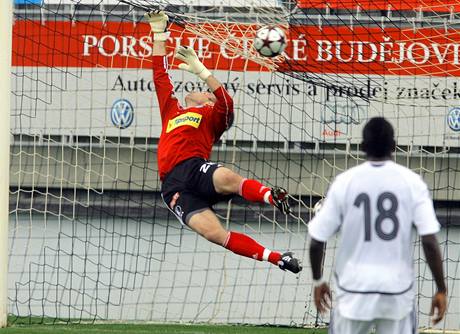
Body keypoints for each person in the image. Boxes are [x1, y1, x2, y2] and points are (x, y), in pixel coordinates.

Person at [145, 11, 301, 274]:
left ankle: (270, 197)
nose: (201, 92)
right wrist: (159, 33)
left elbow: (226, 103)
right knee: (215, 235)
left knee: (227, 176)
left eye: (207, 93)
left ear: (208, 101)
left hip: (194, 168)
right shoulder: (172, 111)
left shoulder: (209, 114)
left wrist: (204, 72)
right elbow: (161, 76)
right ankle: (277, 258)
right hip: (173, 186)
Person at [308, 117, 447, 333]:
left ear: (362, 147)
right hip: (397, 293)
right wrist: (441, 289)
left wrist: (318, 281)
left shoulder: (345, 182)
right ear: (393, 146)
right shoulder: (412, 182)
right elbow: (429, 241)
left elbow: (317, 241)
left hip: (352, 292)